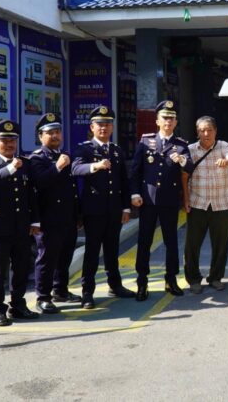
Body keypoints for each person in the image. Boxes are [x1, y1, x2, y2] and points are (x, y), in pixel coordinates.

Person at [0, 120, 40, 326]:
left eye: (13, 140)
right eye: (4, 140)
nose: (10, 144)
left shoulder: (25, 163)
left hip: (21, 224)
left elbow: (31, 194)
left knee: (21, 267)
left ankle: (18, 305)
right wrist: (10, 168)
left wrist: (35, 221)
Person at [72, 106, 134, 309]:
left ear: (112, 127)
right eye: (99, 124)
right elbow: (75, 168)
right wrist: (95, 166)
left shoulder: (116, 150)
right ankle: (87, 292)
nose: (104, 127)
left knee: (112, 250)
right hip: (94, 210)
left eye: (107, 124)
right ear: (92, 127)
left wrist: (126, 208)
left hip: (114, 210)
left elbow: (123, 181)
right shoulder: (85, 149)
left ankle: (115, 286)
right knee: (92, 252)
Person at [130, 100, 193, 299]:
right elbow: (135, 171)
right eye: (164, 118)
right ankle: (142, 281)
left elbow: (190, 167)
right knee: (144, 241)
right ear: (157, 121)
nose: (168, 121)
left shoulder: (181, 144)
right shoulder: (145, 141)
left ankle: (171, 279)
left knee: (171, 242)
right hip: (148, 200)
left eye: (172, 118)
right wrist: (135, 193)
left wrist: (181, 160)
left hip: (169, 200)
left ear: (176, 122)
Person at [28, 113, 81, 314]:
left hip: (67, 217)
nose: (55, 136)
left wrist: (77, 214)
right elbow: (39, 182)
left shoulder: (64, 155)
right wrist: (57, 167)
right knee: (47, 258)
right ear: (41, 136)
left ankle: (61, 290)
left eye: (58, 132)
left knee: (65, 256)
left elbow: (72, 189)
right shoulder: (36, 158)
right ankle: (43, 296)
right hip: (48, 218)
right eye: (50, 133)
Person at [182, 116, 228, 294]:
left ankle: (215, 277)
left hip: (220, 204)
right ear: (197, 132)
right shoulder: (190, 150)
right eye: (202, 130)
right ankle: (193, 279)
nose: (206, 134)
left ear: (215, 131)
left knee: (221, 245)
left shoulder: (224, 146)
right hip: (197, 204)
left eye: (209, 130)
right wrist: (186, 200)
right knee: (192, 245)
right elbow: (184, 177)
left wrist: (227, 162)